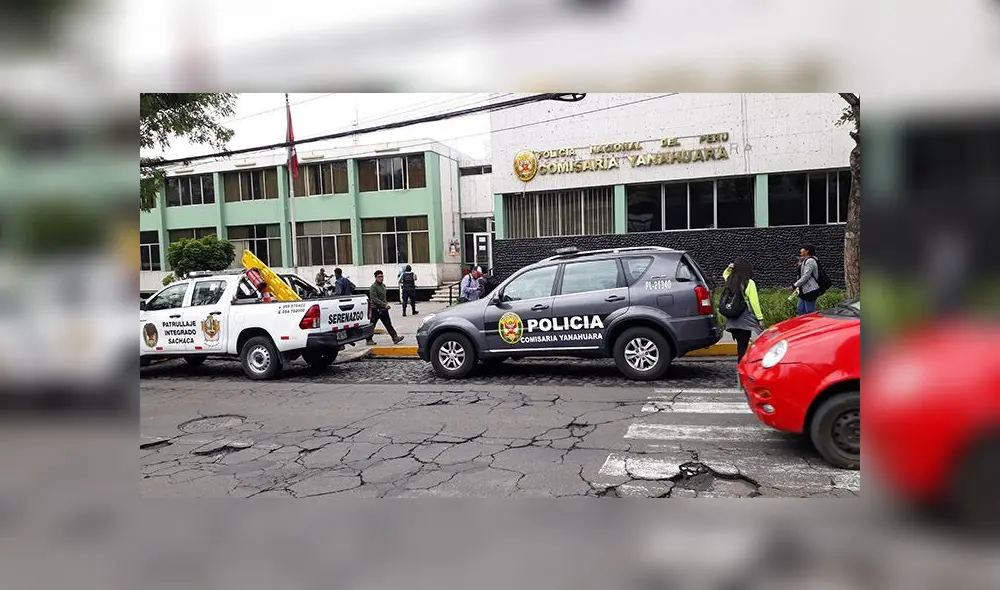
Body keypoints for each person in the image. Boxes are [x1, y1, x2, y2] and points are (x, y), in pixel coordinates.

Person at [721, 258, 765, 362]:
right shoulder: (749, 283)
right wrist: (760, 317)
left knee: (739, 343)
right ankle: (741, 364)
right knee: (744, 343)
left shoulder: (730, 280)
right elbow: (754, 302)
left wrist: (728, 268)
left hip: (731, 319)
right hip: (744, 319)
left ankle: (741, 361)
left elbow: (724, 274)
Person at [367, 270, 404, 345]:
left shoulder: (383, 286)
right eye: (379, 277)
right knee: (372, 325)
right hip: (375, 309)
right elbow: (374, 299)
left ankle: (395, 337)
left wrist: (386, 304)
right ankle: (368, 340)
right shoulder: (373, 287)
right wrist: (384, 305)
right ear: (375, 278)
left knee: (388, 324)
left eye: (382, 276)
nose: (381, 278)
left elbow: (383, 297)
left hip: (383, 309)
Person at [792, 244, 820, 315]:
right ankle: (802, 325)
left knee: (810, 312)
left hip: (810, 290)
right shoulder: (805, 260)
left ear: (807, 251)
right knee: (800, 309)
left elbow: (806, 276)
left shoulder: (810, 261)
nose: (800, 250)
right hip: (804, 290)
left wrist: (795, 285)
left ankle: (813, 325)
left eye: (802, 248)